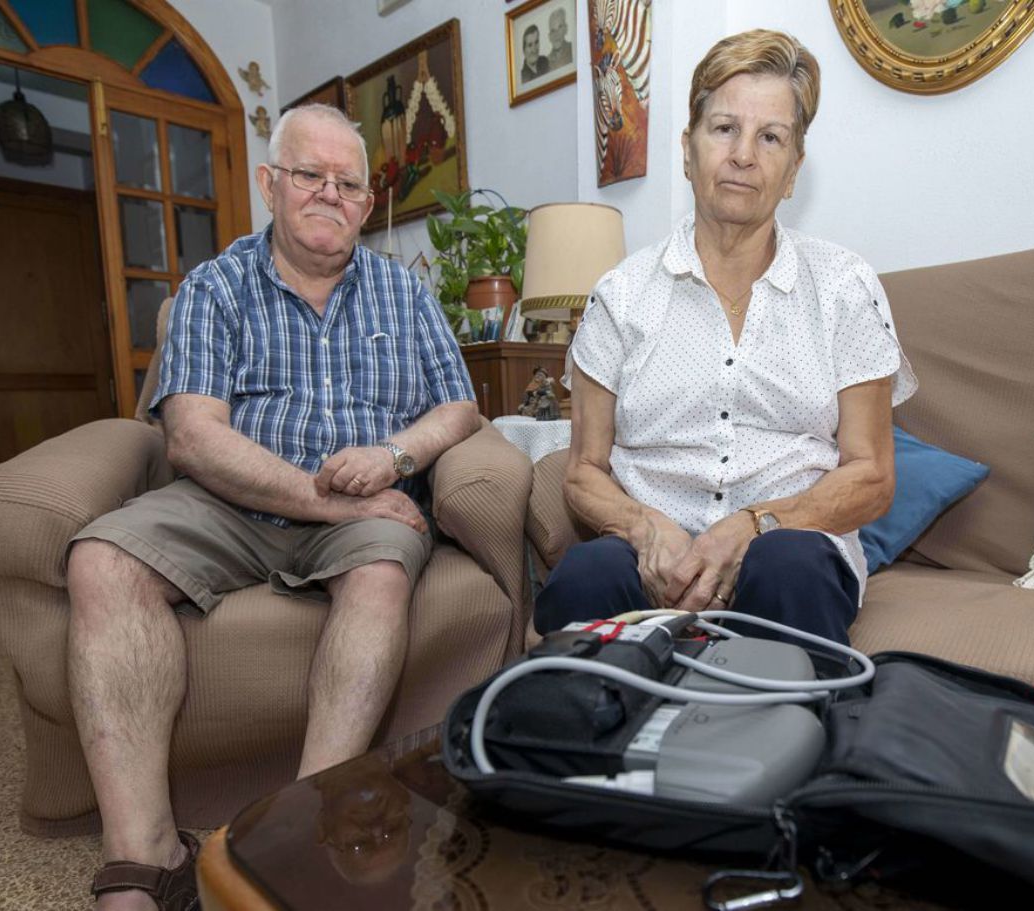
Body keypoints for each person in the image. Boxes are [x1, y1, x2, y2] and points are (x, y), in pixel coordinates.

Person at [67, 103, 478, 911]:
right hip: (230, 500)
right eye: (308, 175)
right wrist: (318, 501)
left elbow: (459, 406)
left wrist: (395, 458)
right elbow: (190, 435)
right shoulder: (214, 287)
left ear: (367, 203)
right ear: (269, 184)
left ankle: (294, 830)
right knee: (101, 558)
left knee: (383, 570)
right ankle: (140, 856)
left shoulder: (405, 291)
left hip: (363, 508)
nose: (328, 193)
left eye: (347, 182)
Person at [534, 30, 917, 645]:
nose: (744, 154)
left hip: (788, 546)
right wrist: (644, 528)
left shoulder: (845, 286)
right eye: (724, 129)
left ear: (792, 171)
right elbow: (583, 471)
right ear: (687, 152)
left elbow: (872, 475)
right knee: (583, 579)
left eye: (771, 138)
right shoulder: (621, 294)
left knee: (790, 568)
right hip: (652, 555)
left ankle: (792, 736)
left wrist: (755, 525)